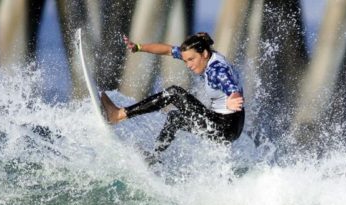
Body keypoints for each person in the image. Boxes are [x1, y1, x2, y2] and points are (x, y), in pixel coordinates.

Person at [101, 32, 245, 164]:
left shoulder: (217, 70)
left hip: (225, 127)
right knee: (175, 118)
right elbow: (168, 50)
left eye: (191, 60)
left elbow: (230, 86)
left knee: (174, 93)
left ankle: (119, 114)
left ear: (205, 53)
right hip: (228, 125)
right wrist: (138, 47)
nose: (188, 65)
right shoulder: (206, 58)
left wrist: (233, 97)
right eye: (186, 61)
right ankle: (154, 158)